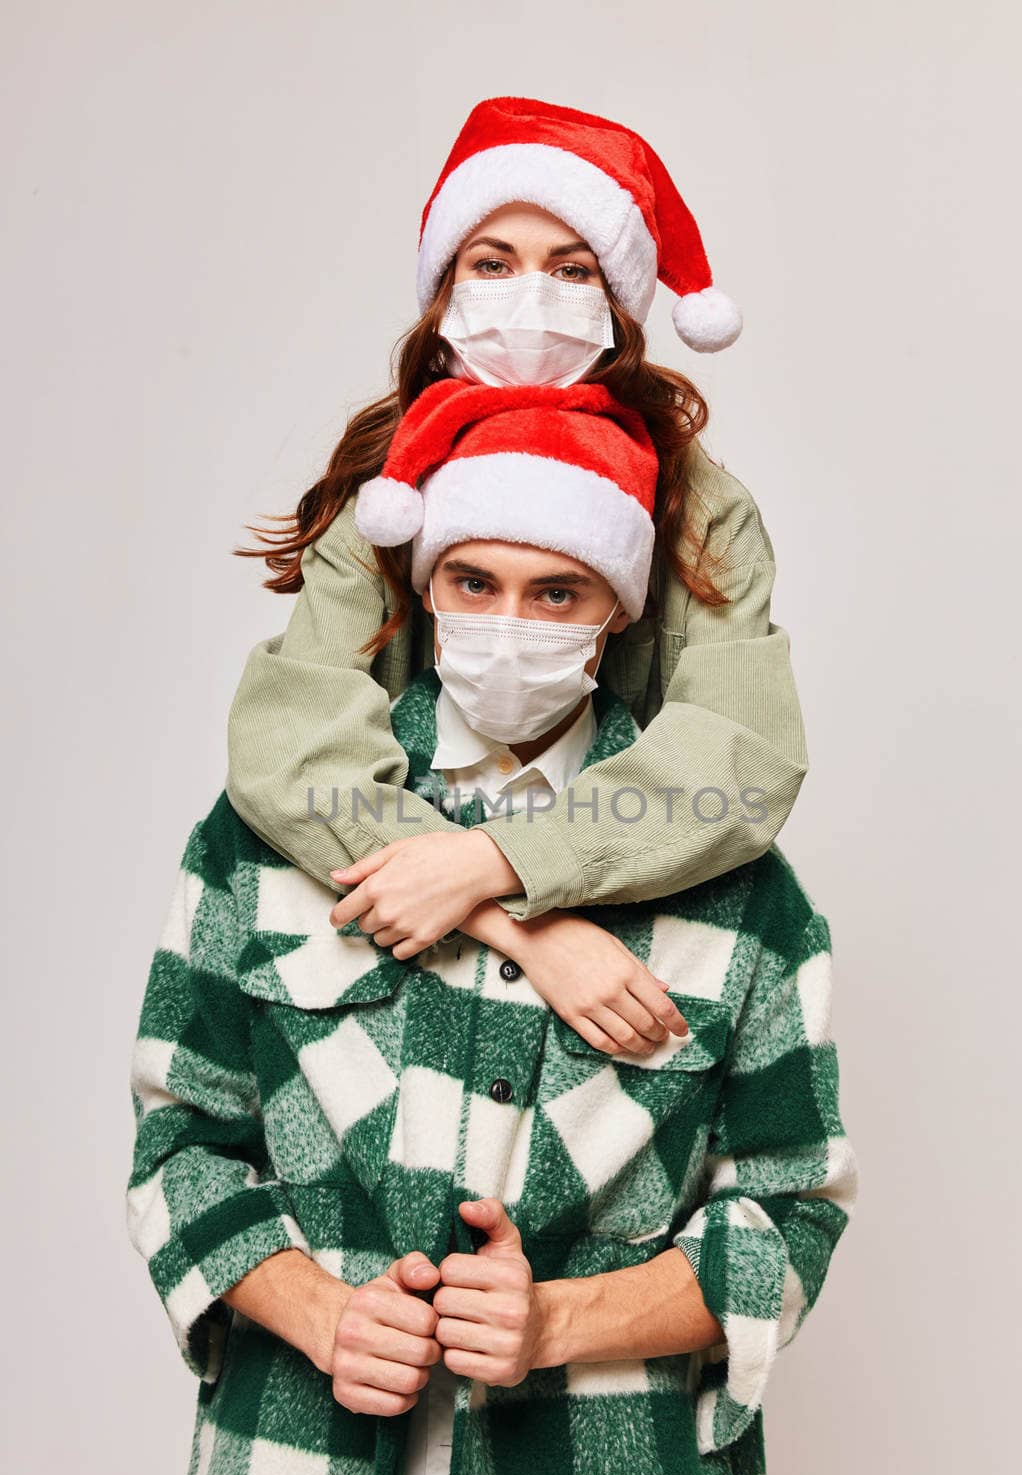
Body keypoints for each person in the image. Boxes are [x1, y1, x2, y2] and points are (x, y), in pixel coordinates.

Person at [126, 383, 857, 1475]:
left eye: (555, 591)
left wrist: (557, 1325)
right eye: (473, 583)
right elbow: (180, 1137)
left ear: (613, 610)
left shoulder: (737, 889)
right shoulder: (265, 838)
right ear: (422, 588)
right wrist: (316, 1310)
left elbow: (794, 1209)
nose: (508, 625)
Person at [224, 96, 810, 1057]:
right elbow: (292, 747)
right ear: (444, 289)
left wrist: (506, 860)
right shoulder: (385, 493)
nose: (527, 296)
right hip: (391, 924)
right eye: (492, 264)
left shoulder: (702, 515)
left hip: (634, 906)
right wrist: (511, 920)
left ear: (617, 298)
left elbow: (738, 758)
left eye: (569, 268)